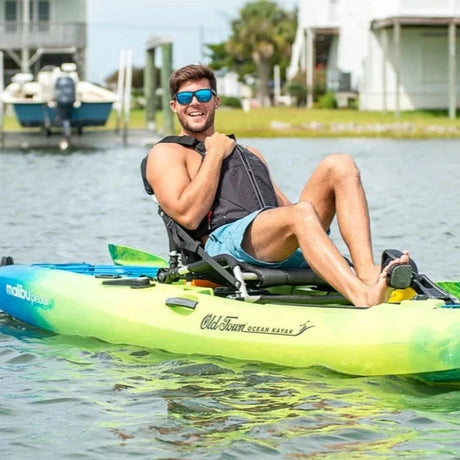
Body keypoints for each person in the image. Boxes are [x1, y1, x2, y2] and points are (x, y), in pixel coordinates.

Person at [143, 64, 411, 307]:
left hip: (268, 239)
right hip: (223, 244)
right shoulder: (167, 152)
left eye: (202, 95)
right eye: (185, 98)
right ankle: (362, 297)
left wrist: (314, 237)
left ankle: (366, 275)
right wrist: (214, 153)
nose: (194, 103)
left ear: (216, 101)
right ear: (174, 106)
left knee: (340, 164)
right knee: (301, 213)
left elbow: (284, 209)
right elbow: (188, 216)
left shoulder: (249, 153)